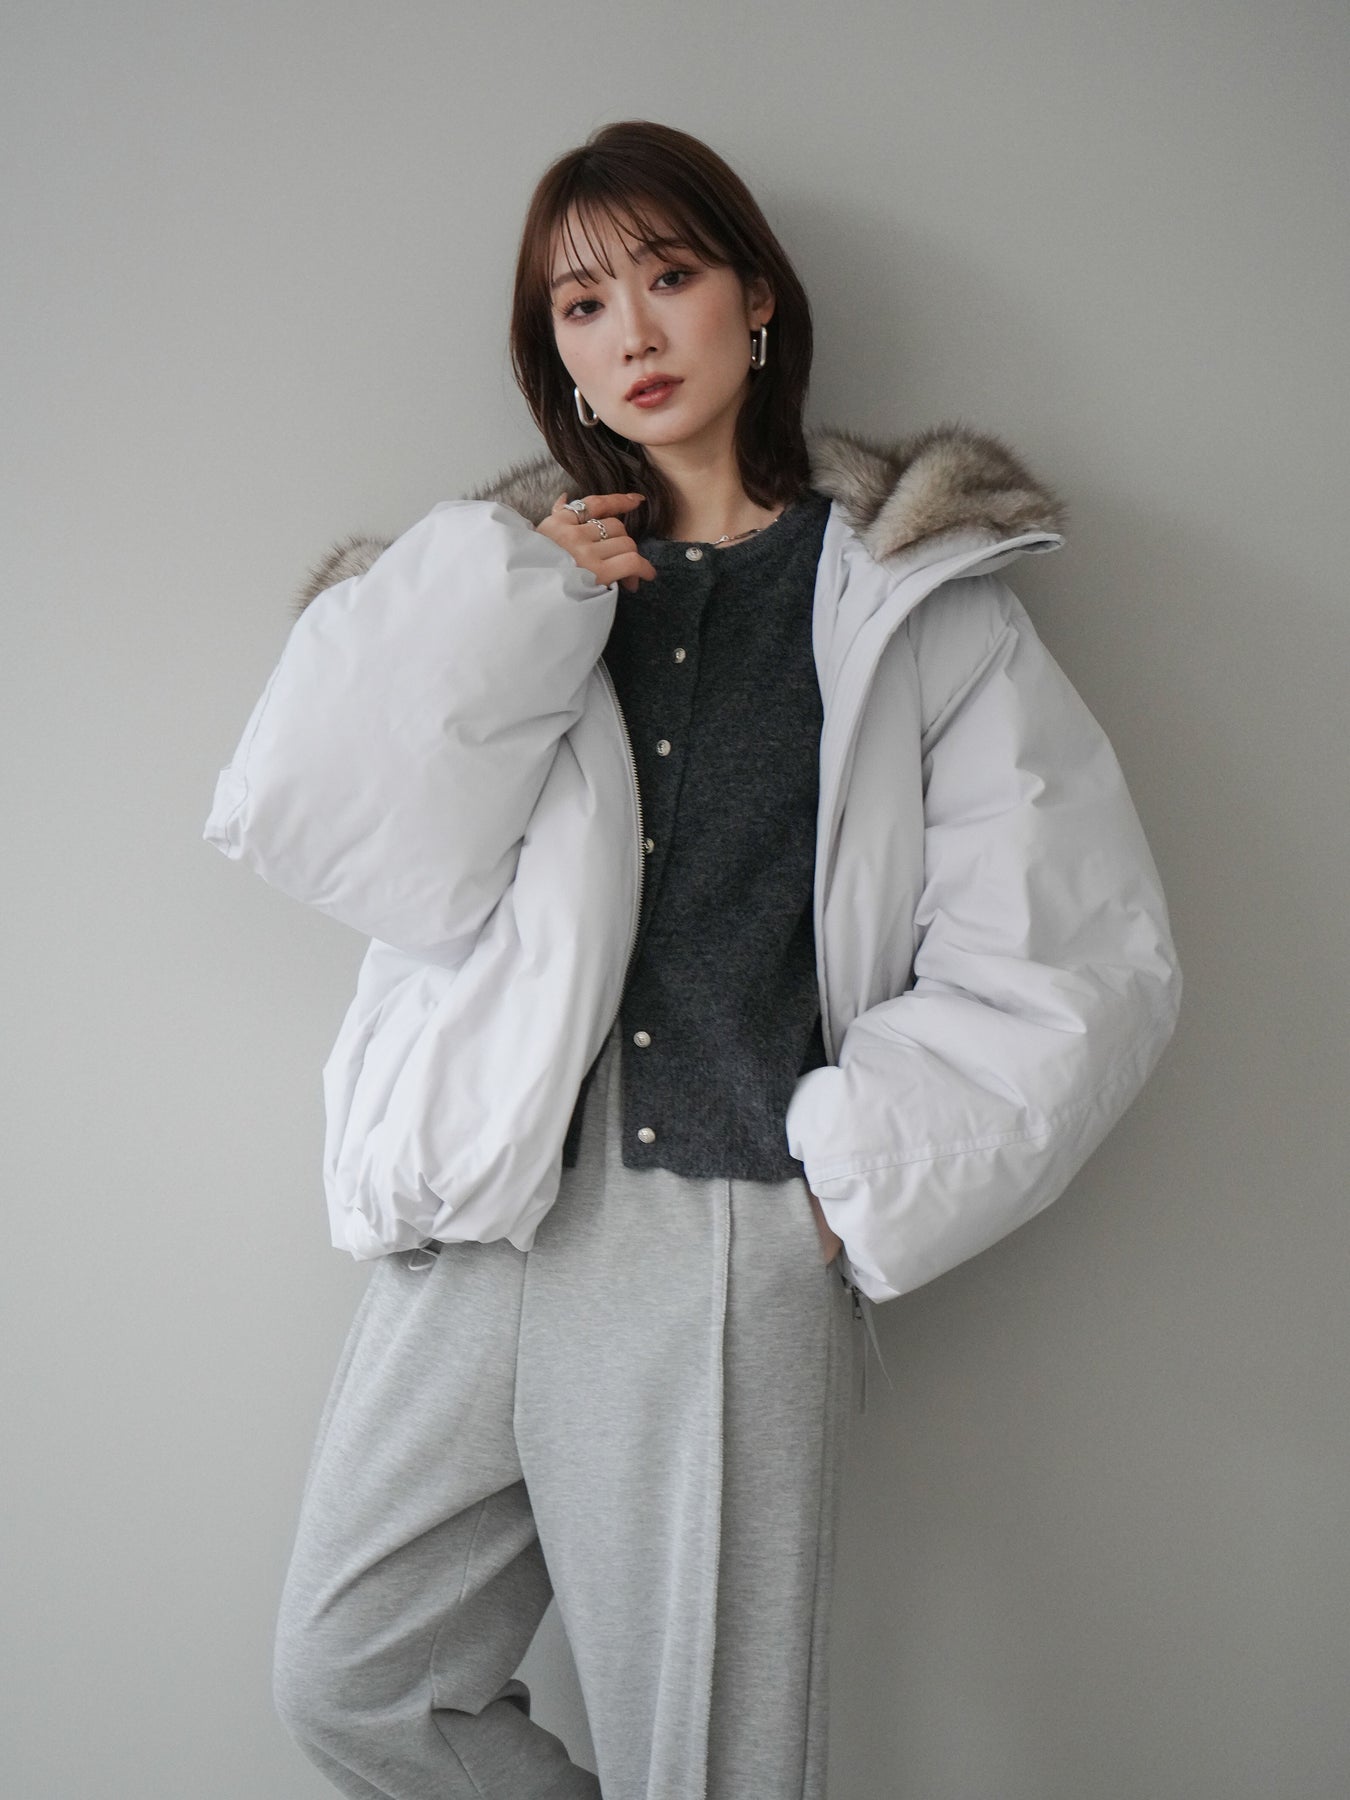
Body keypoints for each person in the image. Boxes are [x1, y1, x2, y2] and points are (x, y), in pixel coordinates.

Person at [202, 119, 1181, 1800]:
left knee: (711, 1761)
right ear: (555, 352)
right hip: (478, 1212)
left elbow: (1075, 952)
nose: (632, 334)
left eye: (666, 277)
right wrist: (500, 599)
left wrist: (834, 1188)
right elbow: (327, 829)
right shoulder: (502, 577)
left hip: (721, 1224)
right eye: (581, 304)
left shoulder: (903, 595)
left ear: (757, 301)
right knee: (353, 1684)